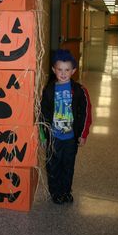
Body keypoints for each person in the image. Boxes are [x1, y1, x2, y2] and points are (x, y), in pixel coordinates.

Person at [40, 49, 92, 204]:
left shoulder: (79, 91)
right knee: (53, 166)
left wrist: (83, 134)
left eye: (67, 70)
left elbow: (86, 113)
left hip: (70, 138)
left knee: (68, 166)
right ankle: (56, 192)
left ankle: (66, 191)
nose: (63, 73)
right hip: (54, 137)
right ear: (54, 70)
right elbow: (42, 114)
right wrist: (43, 136)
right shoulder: (48, 91)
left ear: (73, 71)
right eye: (60, 70)